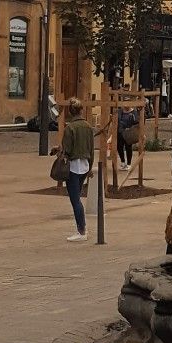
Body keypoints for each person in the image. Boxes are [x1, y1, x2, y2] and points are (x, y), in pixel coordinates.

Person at [60, 97, 95, 242]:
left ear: (70, 112)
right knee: (78, 197)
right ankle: (81, 228)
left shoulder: (70, 128)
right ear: (81, 110)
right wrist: (91, 167)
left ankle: (82, 230)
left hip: (73, 167)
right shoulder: (88, 127)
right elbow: (91, 149)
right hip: (85, 165)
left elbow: (67, 150)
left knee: (75, 199)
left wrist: (60, 152)